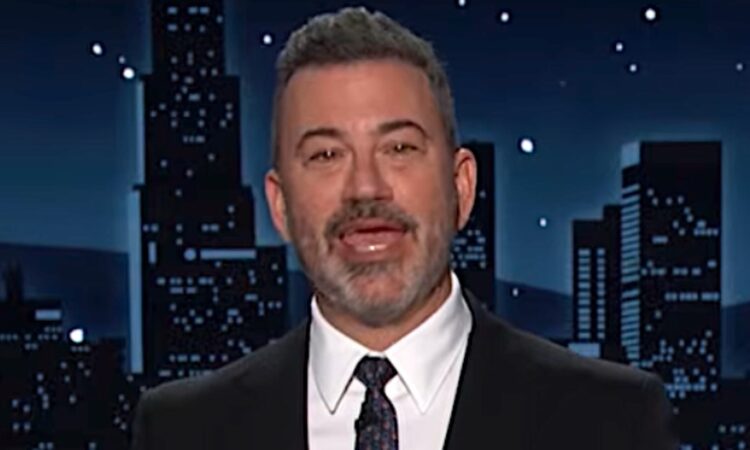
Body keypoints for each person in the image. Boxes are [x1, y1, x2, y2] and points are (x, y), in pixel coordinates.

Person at [131, 7, 677, 449]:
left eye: (399, 148)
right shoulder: (183, 431)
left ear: (461, 187)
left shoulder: (611, 420)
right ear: (280, 205)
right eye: (326, 154)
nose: (365, 187)